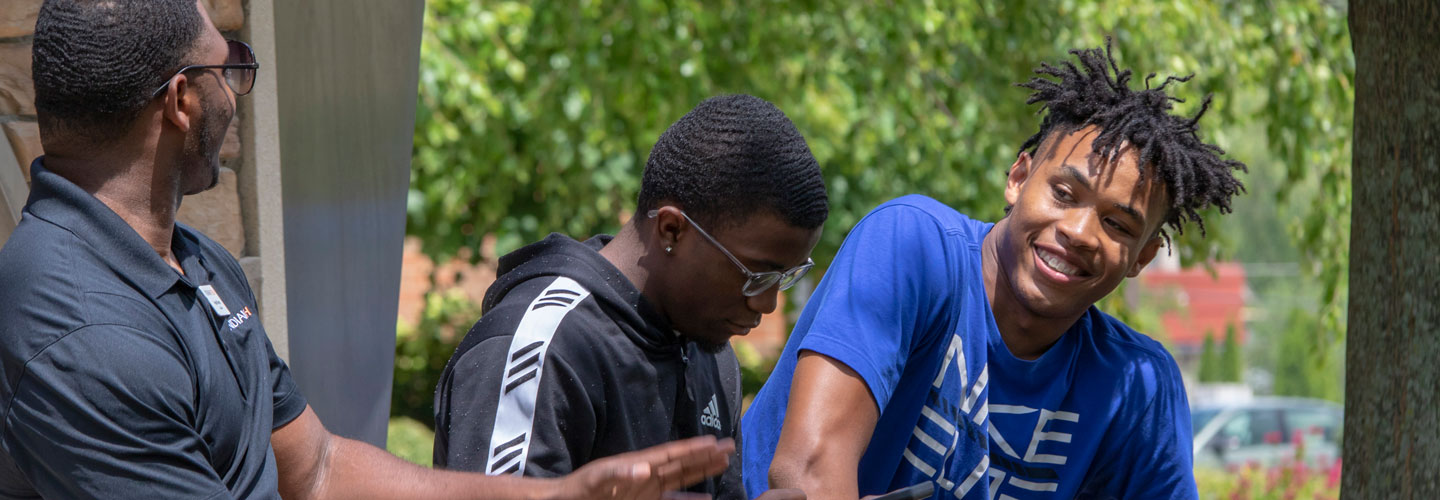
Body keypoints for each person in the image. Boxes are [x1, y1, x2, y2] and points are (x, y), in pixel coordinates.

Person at [0, 1, 731, 498]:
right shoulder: (83, 334)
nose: (236, 96)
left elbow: (317, 468)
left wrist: (555, 493)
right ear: (183, 100)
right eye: (232, 68)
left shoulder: (195, 263)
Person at [741, 40, 1247, 499]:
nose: (1079, 232)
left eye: (1117, 224)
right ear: (1019, 178)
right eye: (1064, 194)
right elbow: (805, 477)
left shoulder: (1135, 384)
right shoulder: (912, 247)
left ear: (1141, 257)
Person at [433, 94, 826, 500]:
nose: (766, 304)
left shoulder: (711, 354)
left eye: (785, 277)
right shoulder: (545, 344)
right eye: (755, 275)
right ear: (672, 230)